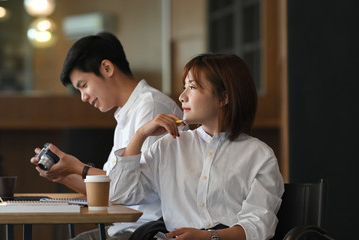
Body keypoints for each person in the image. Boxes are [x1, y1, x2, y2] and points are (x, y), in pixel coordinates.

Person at [108, 53, 284, 240]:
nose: (182, 96)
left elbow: (259, 226)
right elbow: (119, 194)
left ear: (224, 97)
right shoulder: (169, 146)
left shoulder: (259, 155)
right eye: (184, 87)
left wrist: (208, 237)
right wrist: (140, 134)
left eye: (192, 87)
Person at [30, 32, 183, 240]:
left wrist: (77, 167)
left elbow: (131, 191)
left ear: (107, 68)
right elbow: (108, 190)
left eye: (83, 86)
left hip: (148, 230)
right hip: (124, 227)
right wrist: (63, 175)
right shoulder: (127, 113)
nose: (83, 97)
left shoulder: (152, 107)